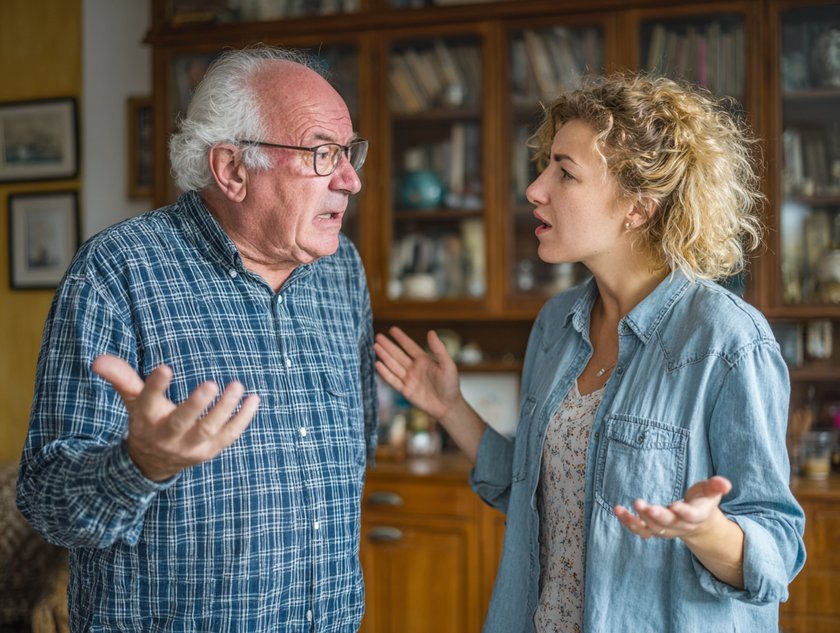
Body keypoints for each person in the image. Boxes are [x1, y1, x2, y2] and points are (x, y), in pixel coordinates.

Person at [374, 73, 805, 632]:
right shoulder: (556, 324)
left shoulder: (727, 340)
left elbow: (777, 551)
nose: (535, 188)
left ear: (638, 208)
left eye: (565, 173)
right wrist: (450, 407)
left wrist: (703, 530)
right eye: (546, 165)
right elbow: (539, 498)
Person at [17, 45, 377, 632]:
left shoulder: (342, 272)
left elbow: (356, 451)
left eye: (350, 151)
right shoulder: (118, 271)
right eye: (322, 153)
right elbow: (47, 501)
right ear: (232, 169)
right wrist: (142, 464)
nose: (351, 179)